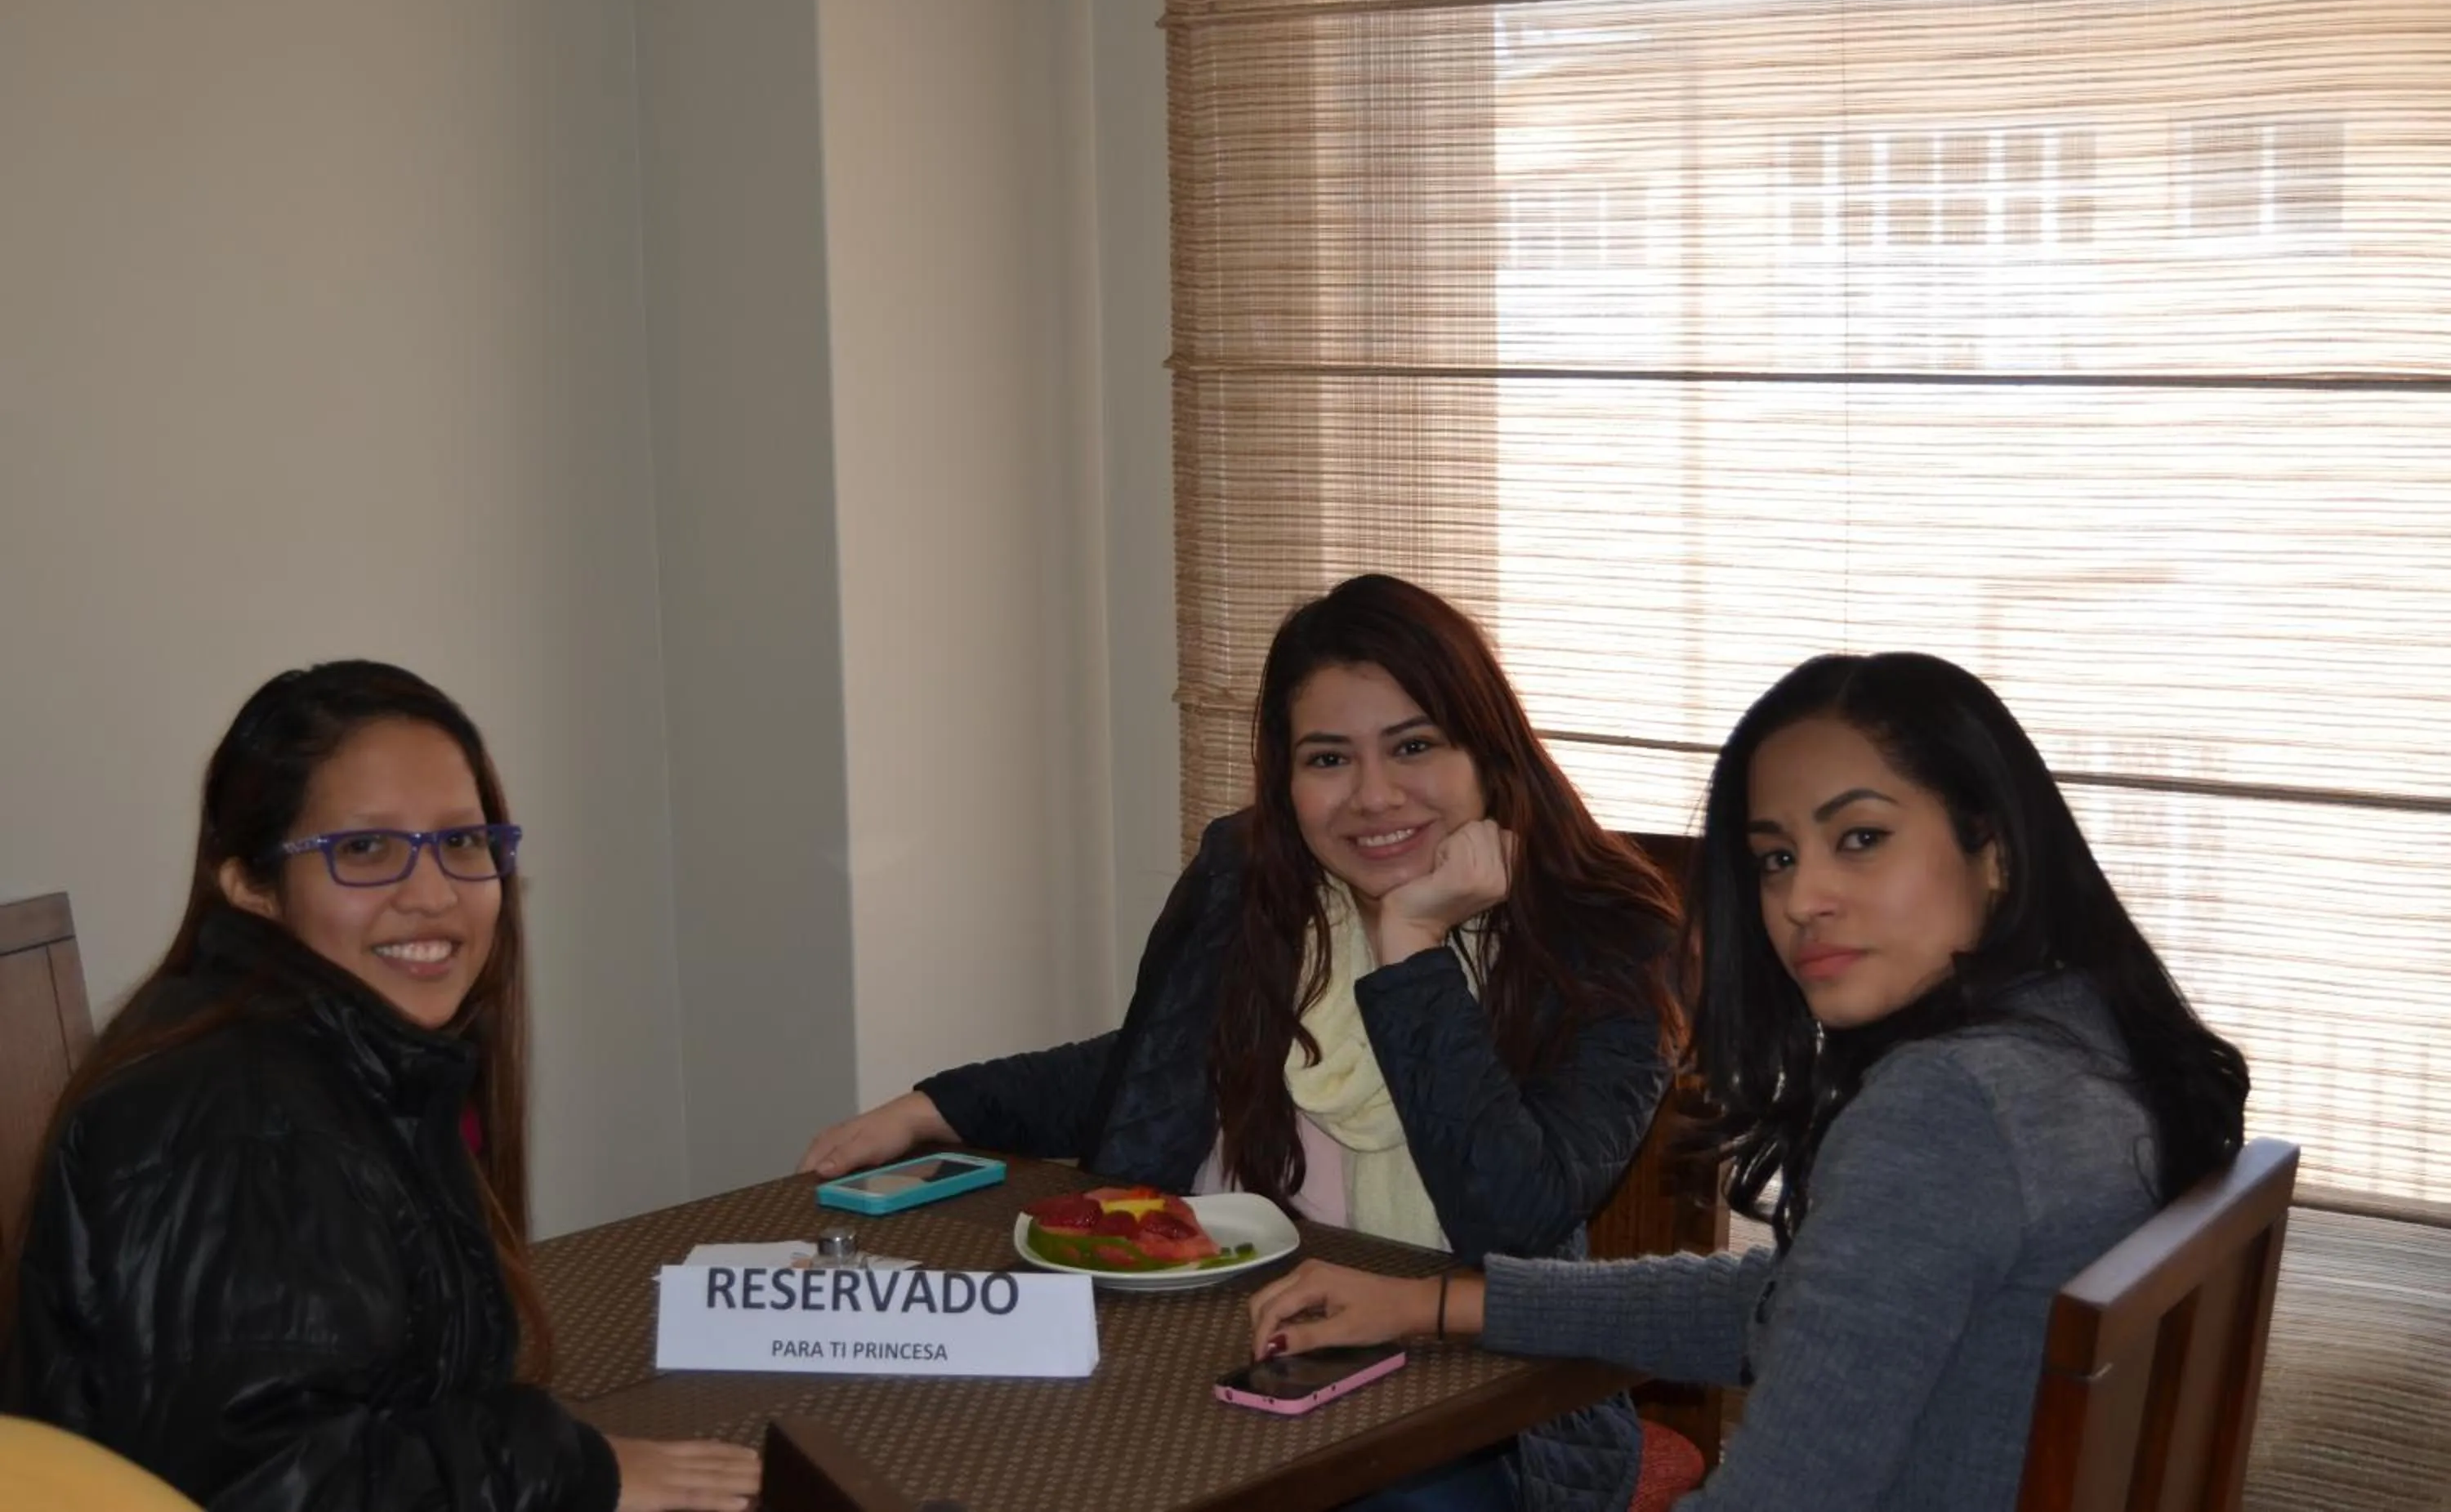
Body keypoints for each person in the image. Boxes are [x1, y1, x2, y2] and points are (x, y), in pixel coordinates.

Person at [1248, 651, 2251, 1512]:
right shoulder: (2087, 1040)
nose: (1803, 897)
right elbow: (1811, 1306)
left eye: (1861, 837)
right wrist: (1443, 1303)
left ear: (1991, 846)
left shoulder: (1948, 1111)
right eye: (1775, 857)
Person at [800, 574, 1685, 1512]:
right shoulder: (1252, 876)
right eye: (1329, 757)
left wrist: (1413, 946)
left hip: (1475, 1402)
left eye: (1415, 745)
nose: (1373, 795)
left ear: (1488, 752)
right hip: (1206, 1344)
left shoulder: (1610, 938)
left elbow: (1510, 1212)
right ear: (1285, 774)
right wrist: (936, 1106)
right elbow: (1162, 1064)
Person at [1, 662, 761, 1512]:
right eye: (365, 848)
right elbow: (270, 1485)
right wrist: (559, 1465)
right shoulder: (243, 1123)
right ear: (251, 883)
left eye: (462, 841)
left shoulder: (342, 1057)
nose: (432, 893)